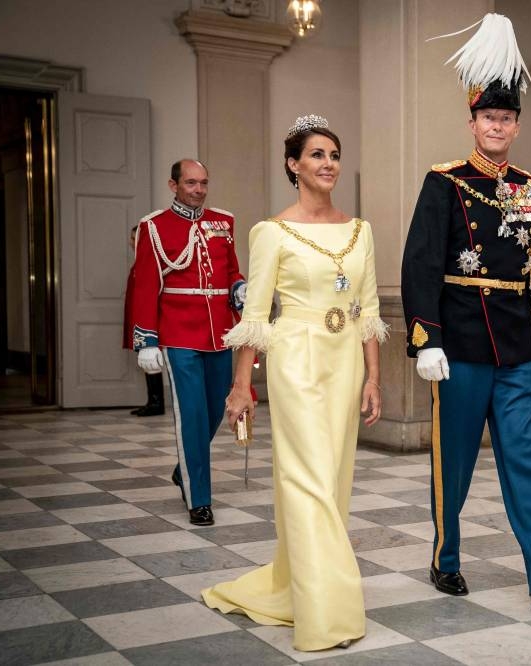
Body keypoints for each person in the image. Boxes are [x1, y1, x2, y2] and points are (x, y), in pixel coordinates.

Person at [401, 14, 531, 613]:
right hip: (458, 347)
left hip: (513, 346)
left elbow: (522, 259)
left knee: (522, 463)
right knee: (453, 464)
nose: (498, 126)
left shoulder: (529, 188)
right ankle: (445, 558)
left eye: (507, 118)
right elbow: (421, 263)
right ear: (473, 121)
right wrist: (424, 338)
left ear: (516, 124)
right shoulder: (445, 183)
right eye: (489, 117)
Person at [202, 115, 387, 652]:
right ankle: (325, 611)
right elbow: (255, 316)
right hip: (295, 361)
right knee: (305, 482)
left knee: (332, 483)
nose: (328, 164)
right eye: (316, 155)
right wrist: (242, 387)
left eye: (333, 155)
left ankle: (294, 585)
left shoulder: (361, 231)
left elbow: (368, 309)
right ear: (293, 165)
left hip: (345, 362)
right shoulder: (271, 232)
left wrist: (373, 376)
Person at [126, 159, 246, 526]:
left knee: (214, 411)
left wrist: (241, 287)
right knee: (191, 414)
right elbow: (146, 285)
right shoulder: (154, 227)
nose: (199, 190)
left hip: (219, 332)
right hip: (178, 333)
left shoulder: (222, 222)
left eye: (204, 183)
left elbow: (231, 271)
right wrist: (146, 339)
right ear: (173, 184)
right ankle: (199, 499)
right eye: (191, 183)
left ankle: (185, 468)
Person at [123, 225, 164, 417]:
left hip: (150, 322)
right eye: (132, 239)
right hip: (137, 318)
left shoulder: (149, 261)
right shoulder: (138, 261)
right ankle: (152, 401)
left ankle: (157, 403)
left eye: (135, 239)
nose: (132, 243)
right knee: (145, 359)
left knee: (152, 360)